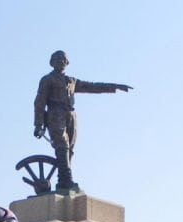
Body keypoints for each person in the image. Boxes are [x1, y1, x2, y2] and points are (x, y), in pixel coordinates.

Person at [33, 50, 132, 191]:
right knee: (62, 146)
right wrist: (38, 124)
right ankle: (67, 180)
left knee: (70, 149)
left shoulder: (72, 81)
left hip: (71, 115)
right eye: (58, 59)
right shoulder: (47, 80)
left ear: (67, 63)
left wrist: (114, 86)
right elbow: (40, 102)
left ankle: (62, 181)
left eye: (63, 59)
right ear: (52, 62)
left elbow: (92, 86)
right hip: (55, 114)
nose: (61, 61)